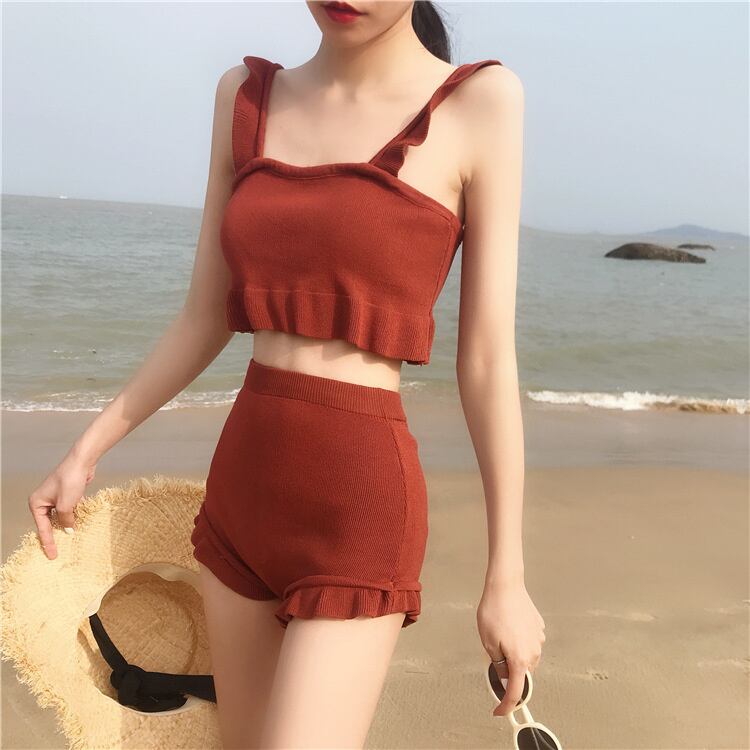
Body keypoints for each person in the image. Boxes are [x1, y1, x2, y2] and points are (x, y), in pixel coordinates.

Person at [27, 1, 545, 747]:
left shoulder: (481, 101)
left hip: (358, 510)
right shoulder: (244, 95)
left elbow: (488, 359)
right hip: (241, 497)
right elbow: (203, 318)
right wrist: (85, 451)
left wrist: (507, 577)